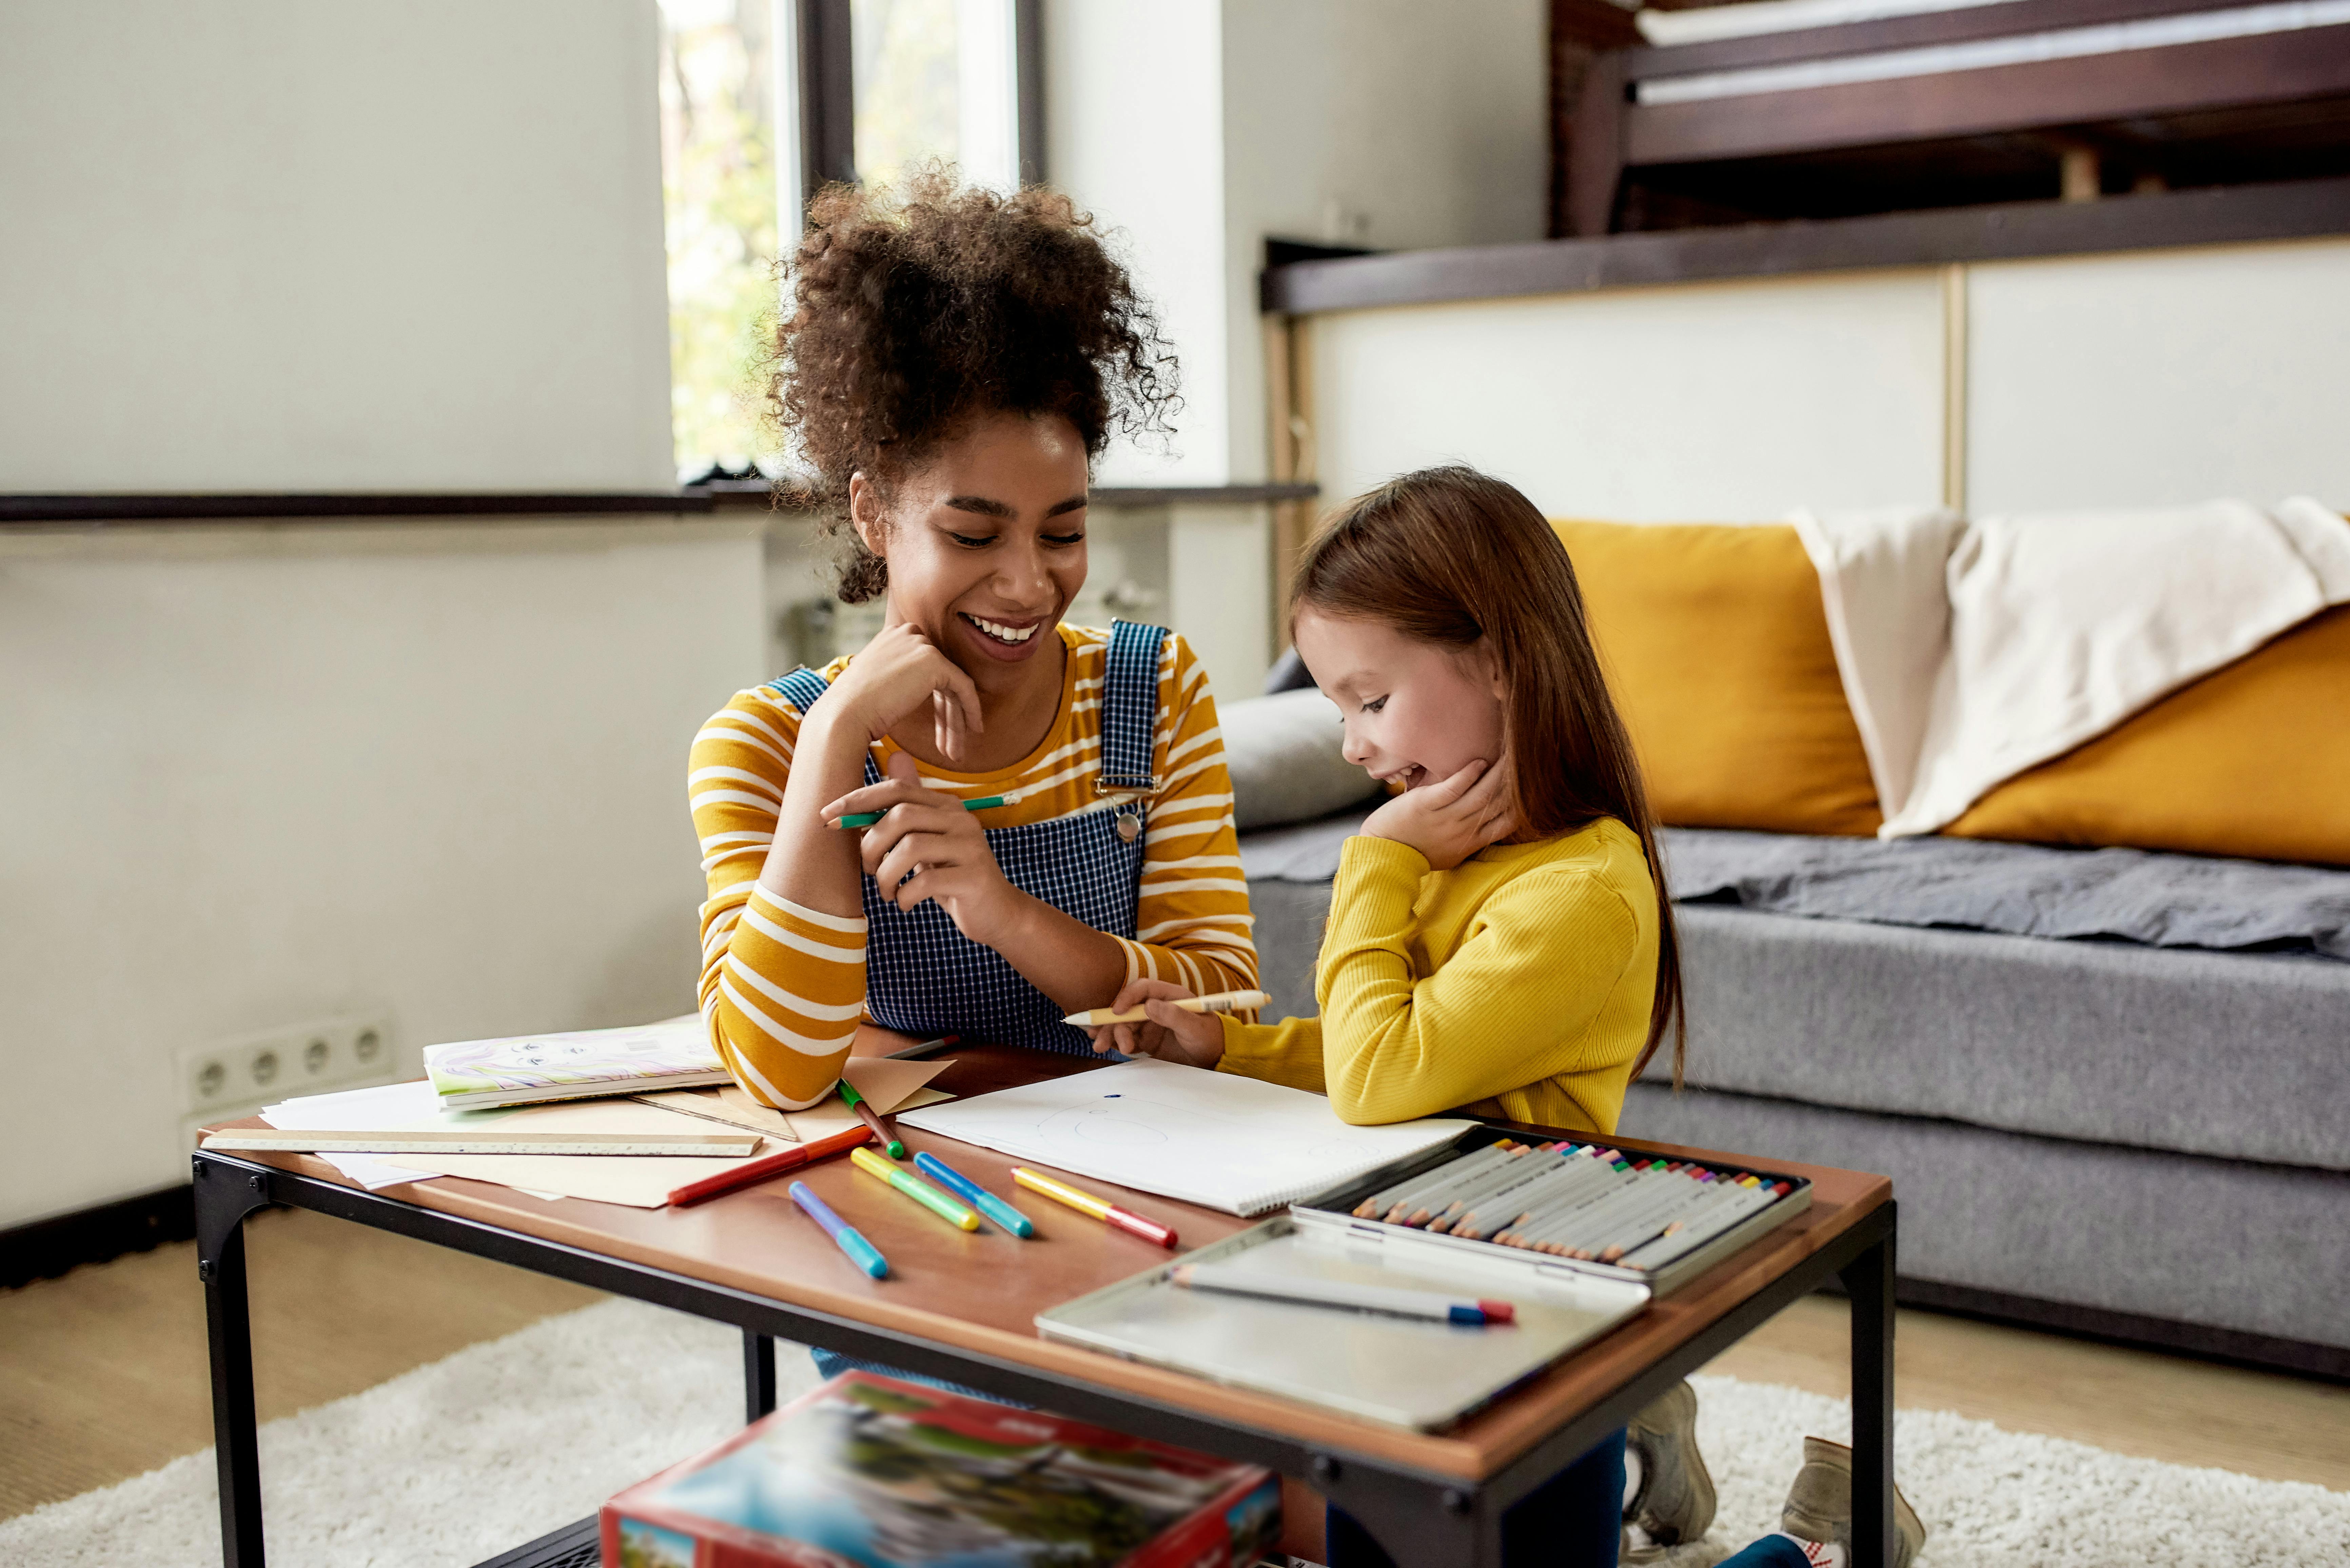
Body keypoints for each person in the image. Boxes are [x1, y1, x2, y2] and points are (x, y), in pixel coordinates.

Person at [1089, 466, 1926, 1568]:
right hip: (1410, 1277)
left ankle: (1832, 1541)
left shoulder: (1573, 895)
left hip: (1529, 1307)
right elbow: (1392, 1057)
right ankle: (1635, 1432)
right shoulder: (1456, 851)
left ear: (1496, 658)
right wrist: (1224, 1042)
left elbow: (1380, 1077)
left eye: (1370, 700)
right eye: (1335, 707)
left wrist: (1372, 867)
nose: (1350, 745)